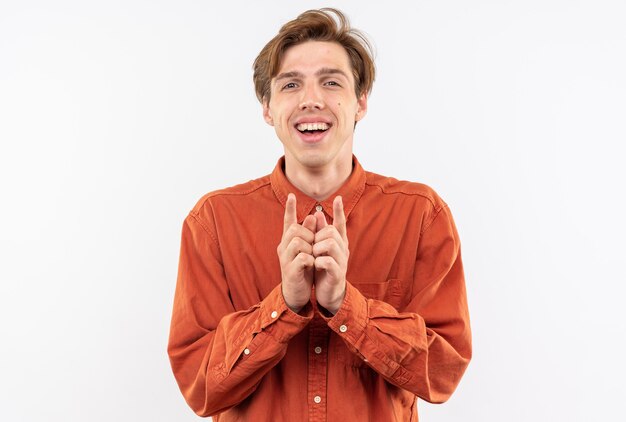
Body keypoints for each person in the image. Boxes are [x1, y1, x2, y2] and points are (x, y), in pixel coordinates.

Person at [167, 8, 471, 421]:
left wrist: (346, 305)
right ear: (267, 108)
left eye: (331, 82)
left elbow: (442, 374)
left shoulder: (420, 215)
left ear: (360, 101)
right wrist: (284, 307)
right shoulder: (213, 222)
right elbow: (200, 388)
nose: (311, 99)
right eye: (291, 84)